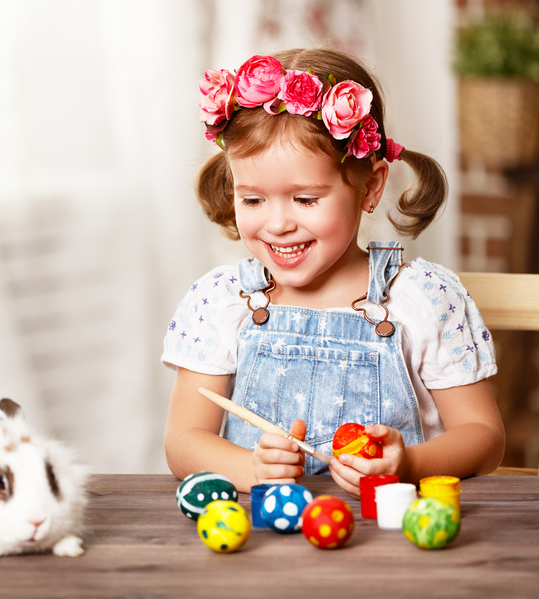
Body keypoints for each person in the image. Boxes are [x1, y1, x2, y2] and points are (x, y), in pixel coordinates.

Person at [162, 48, 505, 496]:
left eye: (306, 200)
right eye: (252, 199)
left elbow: (485, 437)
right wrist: (250, 467)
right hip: (261, 547)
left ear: (371, 186)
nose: (279, 223)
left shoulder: (418, 298)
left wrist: (410, 462)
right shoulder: (226, 301)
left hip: (386, 544)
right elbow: (182, 442)